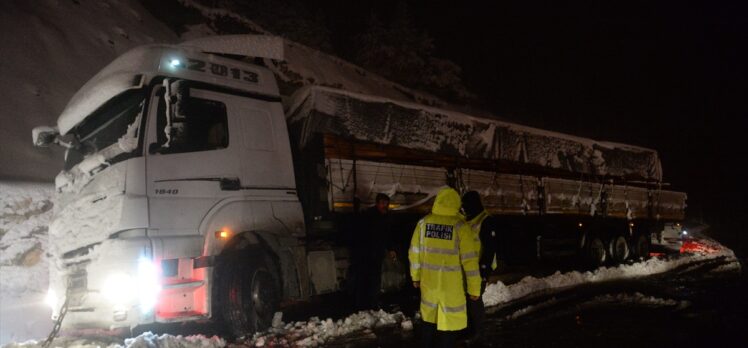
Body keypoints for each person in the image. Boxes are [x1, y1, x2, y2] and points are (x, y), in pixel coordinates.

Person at [409, 188, 481, 348]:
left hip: (429, 286)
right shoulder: (461, 227)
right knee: (448, 329)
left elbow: (414, 253)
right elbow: (470, 262)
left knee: (428, 322)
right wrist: (474, 289)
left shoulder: (423, 223)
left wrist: (416, 277)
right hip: (451, 289)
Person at [461, 190, 501, 344]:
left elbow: (490, 249)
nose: (464, 208)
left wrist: (484, 272)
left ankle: (478, 332)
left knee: (474, 300)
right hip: (469, 269)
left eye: (466, 205)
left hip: (479, 269)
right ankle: (470, 331)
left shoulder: (486, 220)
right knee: (467, 300)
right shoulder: (468, 219)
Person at [353, 193, 395, 310]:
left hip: (376, 253)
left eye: (386, 204)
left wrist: (390, 249)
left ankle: (372, 303)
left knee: (375, 278)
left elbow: (387, 235)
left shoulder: (386, 217)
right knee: (365, 278)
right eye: (382, 203)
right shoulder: (369, 216)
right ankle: (363, 304)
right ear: (377, 203)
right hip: (367, 253)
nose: (384, 206)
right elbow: (363, 235)